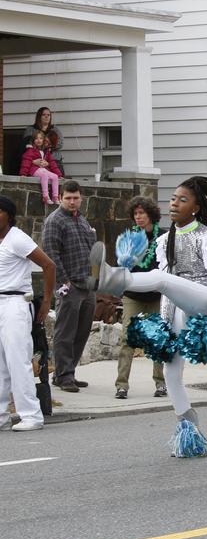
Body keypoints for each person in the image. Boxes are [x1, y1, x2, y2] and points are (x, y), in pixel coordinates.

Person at [91, 158, 207, 455]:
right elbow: (167, 290)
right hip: (177, 305)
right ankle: (191, 432)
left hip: (201, 301)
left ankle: (113, 278)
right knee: (172, 374)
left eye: (182, 200)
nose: (174, 204)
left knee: (162, 279)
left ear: (196, 208)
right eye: (173, 198)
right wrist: (164, 327)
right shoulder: (164, 241)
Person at [0, 196, 56, 431]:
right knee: (0, 364)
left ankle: (31, 415)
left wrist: (46, 301)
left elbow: (49, 265)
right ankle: (1, 416)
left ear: (9, 216)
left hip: (15, 303)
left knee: (18, 361)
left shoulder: (17, 239)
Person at [41, 180, 96, 393]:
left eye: (76, 198)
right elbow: (51, 254)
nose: (72, 202)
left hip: (88, 284)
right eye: (68, 198)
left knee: (81, 332)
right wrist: (64, 282)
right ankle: (63, 376)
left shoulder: (82, 220)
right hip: (69, 286)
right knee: (65, 333)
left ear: (81, 198)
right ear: (60, 198)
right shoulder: (54, 221)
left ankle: (68, 372)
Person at [114, 196, 167, 400]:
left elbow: (169, 265)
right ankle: (121, 385)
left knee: (157, 339)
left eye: (142, 213)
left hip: (156, 296)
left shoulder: (162, 237)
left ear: (151, 215)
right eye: (135, 214)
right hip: (132, 295)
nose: (138, 217)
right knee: (128, 338)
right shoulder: (128, 238)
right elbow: (120, 266)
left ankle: (161, 383)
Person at [19, 130, 62, 205]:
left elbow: (52, 163)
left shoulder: (46, 152)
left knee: (55, 177)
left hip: (43, 170)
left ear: (43, 140)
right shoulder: (30, 150)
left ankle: (55, 197)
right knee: (44, 175)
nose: (38, 140)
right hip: (34, 170)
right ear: (33, 140)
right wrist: (23, 173)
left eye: (41, 138)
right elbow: (26, 161)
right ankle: (45, 196)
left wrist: (59, 175)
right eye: (36, 138)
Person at [22, 107, 64, 175]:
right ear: (39, 116)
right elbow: (27, 144)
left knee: (58, 181)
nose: (46, 116)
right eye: (44, 114)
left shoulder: (55, 129)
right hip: (36, 163)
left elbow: (61, 143)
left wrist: (47, 146)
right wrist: (33, 161)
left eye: (48, 115)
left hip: (55, 162)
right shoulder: (31, 129)